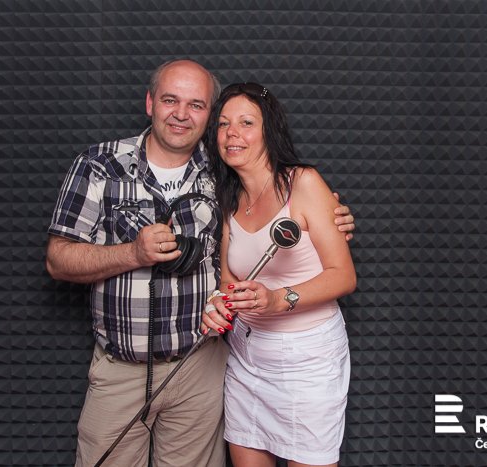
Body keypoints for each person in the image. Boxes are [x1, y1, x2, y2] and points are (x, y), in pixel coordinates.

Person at [45, 60, 356, 467]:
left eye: (196, 105)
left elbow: (320, 251)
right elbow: (57, 260)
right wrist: (133, 254)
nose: (181, 114)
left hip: (204, 367)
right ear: (150, 103)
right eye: (170, 100)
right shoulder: (101, 164)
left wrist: (331, 218)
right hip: (128, 367)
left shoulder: (220, 172)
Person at [201, 82, 356, 467]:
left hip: (307, 361)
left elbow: (343, 276)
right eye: (223, 124)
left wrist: (277, 298)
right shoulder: (229, 195)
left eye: (246, 123)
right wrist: (217, 305)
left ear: (269, 130)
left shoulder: (304, 183)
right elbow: (228, 281)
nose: (232, 133)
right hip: (247, 359)